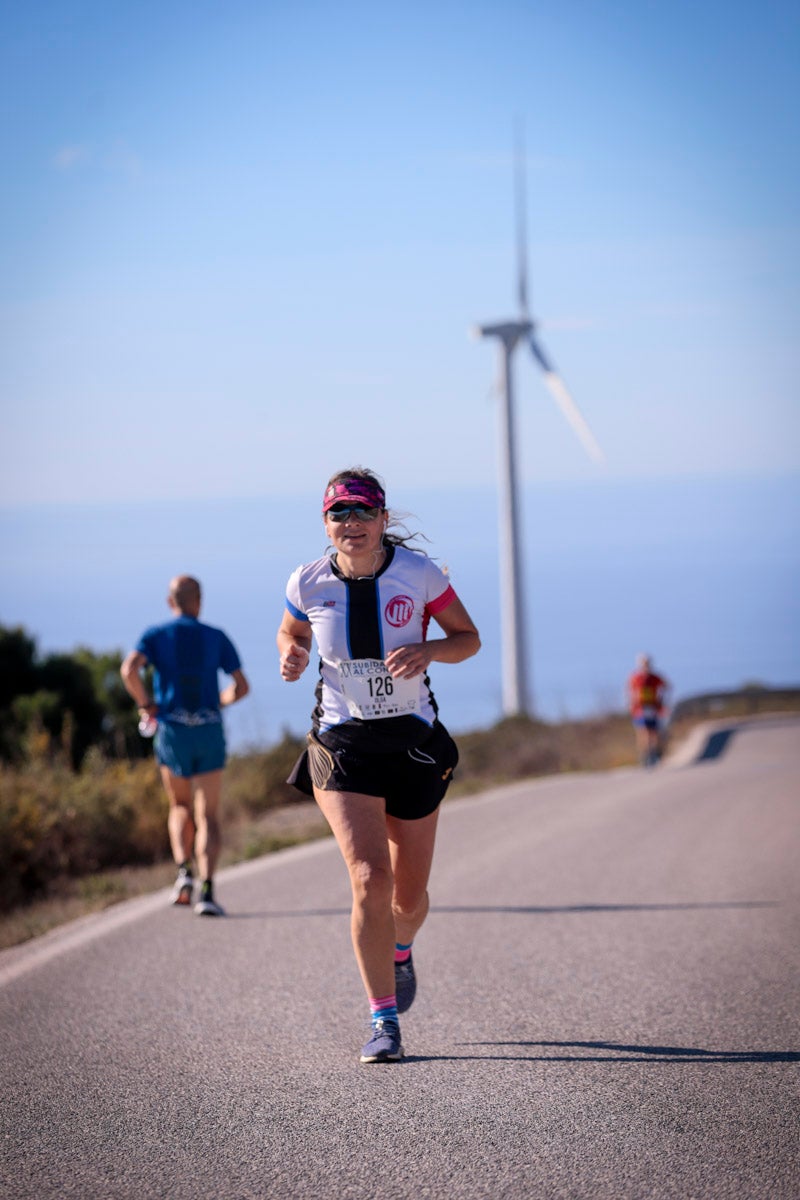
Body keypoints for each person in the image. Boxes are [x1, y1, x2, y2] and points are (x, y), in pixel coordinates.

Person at [277, 468, 480, 1063]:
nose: (352, 524)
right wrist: (290, 654)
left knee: (408, 900)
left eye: (364, 513)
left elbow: (468, 638)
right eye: (340, 514)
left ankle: (401, 948)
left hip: (413, 745)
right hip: (342, 744)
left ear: (384, 519)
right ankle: (383, 1021)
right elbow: (291, 631)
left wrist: (429, 650)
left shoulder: (417, 575)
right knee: (369, 878)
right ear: (325, 523)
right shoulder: (307, 580)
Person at [121, 575, 250, 916]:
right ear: (199, 601)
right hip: (208, 729)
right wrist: (219, 702)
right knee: (207, 814)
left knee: (179, 806)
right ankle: (207, 891)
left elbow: (128, 670)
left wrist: (146, 704)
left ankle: (183, 875)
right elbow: (241, 687)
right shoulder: (216, 636)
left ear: (170, 601)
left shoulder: (155, 635)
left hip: (173, 731)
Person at [627, 653, 670, 767]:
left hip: (653, 708)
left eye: (647, 663)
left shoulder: (655, 677)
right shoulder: (635, 677)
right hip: (640, 709)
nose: (645, 665)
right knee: (643, 732)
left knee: (654, 732)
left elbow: (666, 686)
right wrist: (632, 704)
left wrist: (661, 700)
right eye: (643, 663)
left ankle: (655, 754)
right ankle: (645, 756)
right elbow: (630, 692)